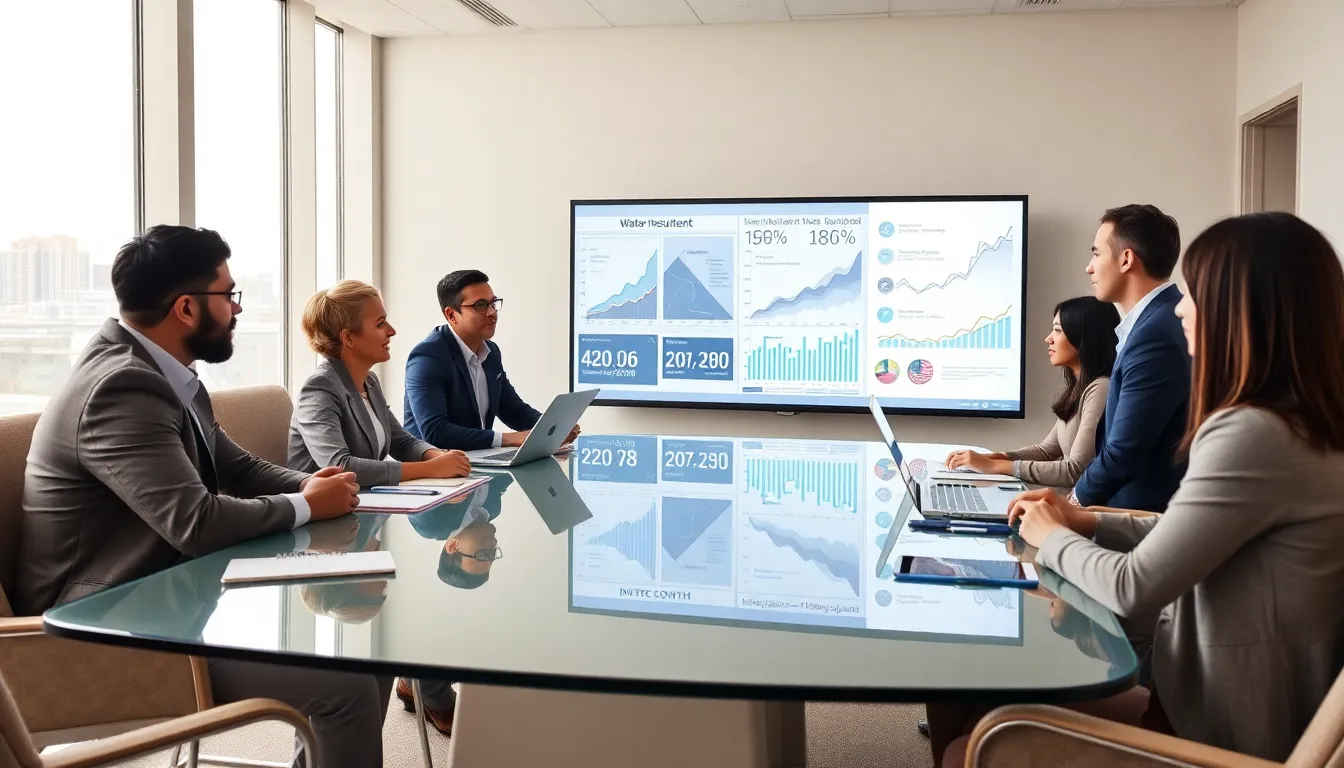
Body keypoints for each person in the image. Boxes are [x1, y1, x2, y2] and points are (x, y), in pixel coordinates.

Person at [945, 212, 1344, 765]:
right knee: (984, 698)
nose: (1181, 306)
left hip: (1216, 733)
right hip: (1244, 705)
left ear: (1242, 310)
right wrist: (1088, 520)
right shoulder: (1306, 422)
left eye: (1196, 293)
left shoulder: (1253, 432)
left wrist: (1052, 536)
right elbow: (1187, 530)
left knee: (977, 739)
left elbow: (1134, 587)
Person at [12, 225, 390, 768]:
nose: (237, 309)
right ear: (187, 309)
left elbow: (234, 465)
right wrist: (308, 505)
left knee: (365, 648)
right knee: (347, 688)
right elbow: (196, 522)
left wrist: (308, 485)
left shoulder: (166, 373)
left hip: (168, 595)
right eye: (229, 294)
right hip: (100, 629)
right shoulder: (121, 387)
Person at [1067, 204, 1191, 512]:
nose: (1089, 267)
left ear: (1126, 259)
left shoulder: (1155, 334)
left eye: (1096, 254)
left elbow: (1123, 453)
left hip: (1138, 524)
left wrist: (1070, 504)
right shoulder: (1161, 319)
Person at [289, 279, 472, 486]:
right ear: (348, 338)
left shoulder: (369, 380)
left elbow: (400, 441)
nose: (391, 331)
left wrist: (438, 456)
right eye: (380, 323)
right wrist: (430, 468)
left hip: (367, 503)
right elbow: (340, 467)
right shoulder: (319, 389)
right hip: (324, 513)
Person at [945, 297, 1119, 489]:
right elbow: (1047, 450)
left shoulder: (1101, 388)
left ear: (1083, 338)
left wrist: (996, 466)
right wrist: (995, 457)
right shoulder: (1081, 389)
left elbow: (1075, 470)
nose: (1048, 338)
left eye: (1058, 330)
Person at [403, 269, 577, 451]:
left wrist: (553, 428)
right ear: (451, 315)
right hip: (433, 471)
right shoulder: (427, 357)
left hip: (475, 462)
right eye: (480, 305)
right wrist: (509, 439)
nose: (492, 313)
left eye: (493, 303)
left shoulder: (490, 352)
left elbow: (512, 410)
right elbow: (436, 432)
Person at [394, 474, 513, 736]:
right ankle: (425, 689)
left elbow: (412, 489)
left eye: (484, 554)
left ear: (453, 545)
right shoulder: (488, 512)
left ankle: (413, 682)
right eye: (491, 555)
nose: (491, 548)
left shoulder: (432, 522)